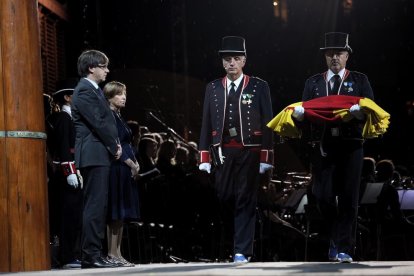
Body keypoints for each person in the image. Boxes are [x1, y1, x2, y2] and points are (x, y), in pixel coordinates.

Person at [292, 32, 375, 263]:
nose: (334, 58)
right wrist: (299, 117)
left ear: (347, 55)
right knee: (322, 196)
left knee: (349, 198)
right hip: (324, 147)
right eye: (330, 54)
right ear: (325, 57)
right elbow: (305, 114)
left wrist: (360, 113)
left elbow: (372, 110)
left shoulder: (359, 80)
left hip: (351, 146)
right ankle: (336, 238)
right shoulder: (314, 83)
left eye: (339, 53)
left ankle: (344, 247)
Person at [198, 36, 274, 263]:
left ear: (244, 61)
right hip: (222, 152)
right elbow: (206, 122)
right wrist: (203, 155)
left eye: (236, 59)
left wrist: (266, 156)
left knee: (246, 199)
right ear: (222, 62)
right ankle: (233, 242)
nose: (232, 63)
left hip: (250, 151)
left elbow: (269, 123)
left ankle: (242, 250)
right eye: (227, 59)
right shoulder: (212, 87)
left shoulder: (259, 86)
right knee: (224, 196)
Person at [71, 50, 122, 268]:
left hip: (99, 153)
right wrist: (114, 145)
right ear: (92, 68)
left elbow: (105, 121)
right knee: (94, 205)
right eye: (103, 66)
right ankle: (90, 255)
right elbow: (98, 122)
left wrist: (114, 144)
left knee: (99, 205)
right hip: (94, 153)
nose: (107, 70)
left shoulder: (94, 90)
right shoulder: (84, 91)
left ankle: (95, 253)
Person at [47, 81, 83, 269]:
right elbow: (64, 148)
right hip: (65, 173)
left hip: (71, 171)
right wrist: (70, 171)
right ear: (68, 98)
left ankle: (71, 254)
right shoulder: (63, 117)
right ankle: (67, 256)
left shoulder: (70, 118)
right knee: (68, 216)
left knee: (73, 216)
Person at [103, 81, 140, 267]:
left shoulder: (119, 116)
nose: (123, 97)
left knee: (121, 215)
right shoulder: (109, 116)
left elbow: (127, 143)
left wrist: (135, 163)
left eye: (124, 93)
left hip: (125, 167)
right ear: (109, 96)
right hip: (117, 167)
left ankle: (118, 253)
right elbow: (115, 144)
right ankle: (111, 253)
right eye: (119, 94)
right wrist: (132, 164)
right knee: (115, 212)